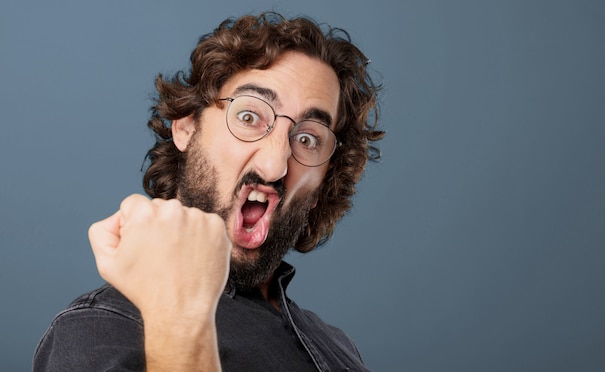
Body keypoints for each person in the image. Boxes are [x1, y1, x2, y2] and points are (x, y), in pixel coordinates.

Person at [33, 12, 384, 371]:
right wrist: (180, 321)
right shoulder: (101, 327)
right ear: (186, 127)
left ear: (324, 177)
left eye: (308, 138)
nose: (275, 165)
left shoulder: (337, 345)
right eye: (249, 117)